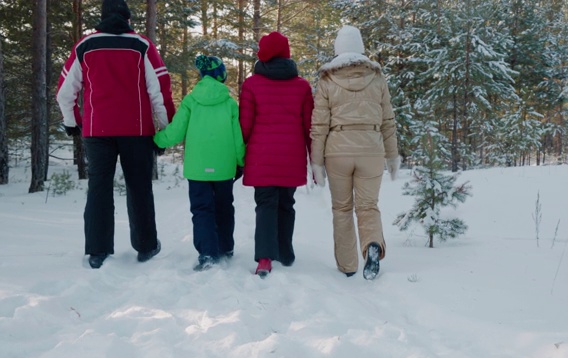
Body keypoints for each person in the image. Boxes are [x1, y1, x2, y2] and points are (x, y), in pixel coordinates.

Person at [56, 0, 175, 269]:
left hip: (97, 129)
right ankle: (146, 246)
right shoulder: (141, 45)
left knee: (99, 187)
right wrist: (164, 130)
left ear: (102, 17)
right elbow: (159, 90)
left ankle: (97, 251)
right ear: (127, 19)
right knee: (139, 186)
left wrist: (72, 121)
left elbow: (65, 91)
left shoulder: (85, 45)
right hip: (138, 129)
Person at [310, 25, 400, 280]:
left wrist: (316, 163)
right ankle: (372, 246)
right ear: (360, 48)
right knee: (368, 206)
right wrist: (392, 156)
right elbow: (387, 120)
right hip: (371, 148)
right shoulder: (377, 77)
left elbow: (319, 125)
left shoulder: (327, 79)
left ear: (338, 49)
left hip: (337, 150)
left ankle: (348, 266)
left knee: (342, 209)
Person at [154, 55, 245, 271]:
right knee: (224, 207)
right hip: (224, 168)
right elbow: (237, 137)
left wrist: (157, 140)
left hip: (197, 169)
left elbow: (176, 131)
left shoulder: (191, 100)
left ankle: (207, 253)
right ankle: (226, 247)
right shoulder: (230, 103)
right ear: (220, 74)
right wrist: (241, 161)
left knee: (202, 210)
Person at [239, 31, 314, 277]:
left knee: (265, 205)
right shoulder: (302, 86)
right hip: (291, 157)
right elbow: (309, 127)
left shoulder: (251, 84)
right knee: (286, 204)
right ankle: (285, 252)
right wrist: (315, 162)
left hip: (261, 158)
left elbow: (245, 127)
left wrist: (239, 157)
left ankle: (264, 258)